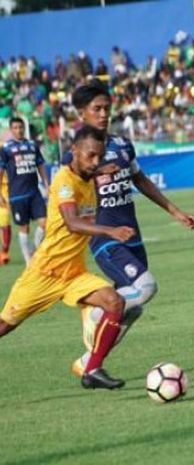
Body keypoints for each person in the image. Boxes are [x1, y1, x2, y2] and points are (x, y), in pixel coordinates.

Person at [62, 81, 194, 377]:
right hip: (104, 237)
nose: (103, 114)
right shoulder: (76, 153)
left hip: (131, 235)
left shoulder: (123, 145)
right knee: (146, 287)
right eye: (96, 109)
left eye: (106, 109)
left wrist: (175, 211)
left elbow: (140, 180)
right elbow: (67, 184)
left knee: (132, 307)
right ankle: (95, 311)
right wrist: (97, 170)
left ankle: (90, 363)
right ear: (82, 113)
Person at [0, 125, 135, 389]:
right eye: (90, 156)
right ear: (74, 150)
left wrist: (99, 170)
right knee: (5, 325)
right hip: (45, 273)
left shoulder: (89, 175)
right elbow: (73, 222)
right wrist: (111, 230)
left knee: (114, 302)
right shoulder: (63, 180)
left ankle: (92, 369)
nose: (95, 161)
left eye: (100, 156)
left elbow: (89, 174)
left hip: (74, 273)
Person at [0, 117, 50, 265]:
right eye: (15, 128)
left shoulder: (32, 145)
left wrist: (46, 185)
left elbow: (40, 165)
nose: (19, 130)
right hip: (17, 195)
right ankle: (29, 261)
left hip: (34, 192)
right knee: (24, 227)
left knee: (44, 223)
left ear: (24, 128)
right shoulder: (6, 149)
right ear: (11, 130)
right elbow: (1, 171)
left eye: (20, 127)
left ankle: (35, 249)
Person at [0, 172, 10, 265]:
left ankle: (4, 253)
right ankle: (3, 254)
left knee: (5, 227)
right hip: (2, 200)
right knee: (5, 227)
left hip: (5, 203)